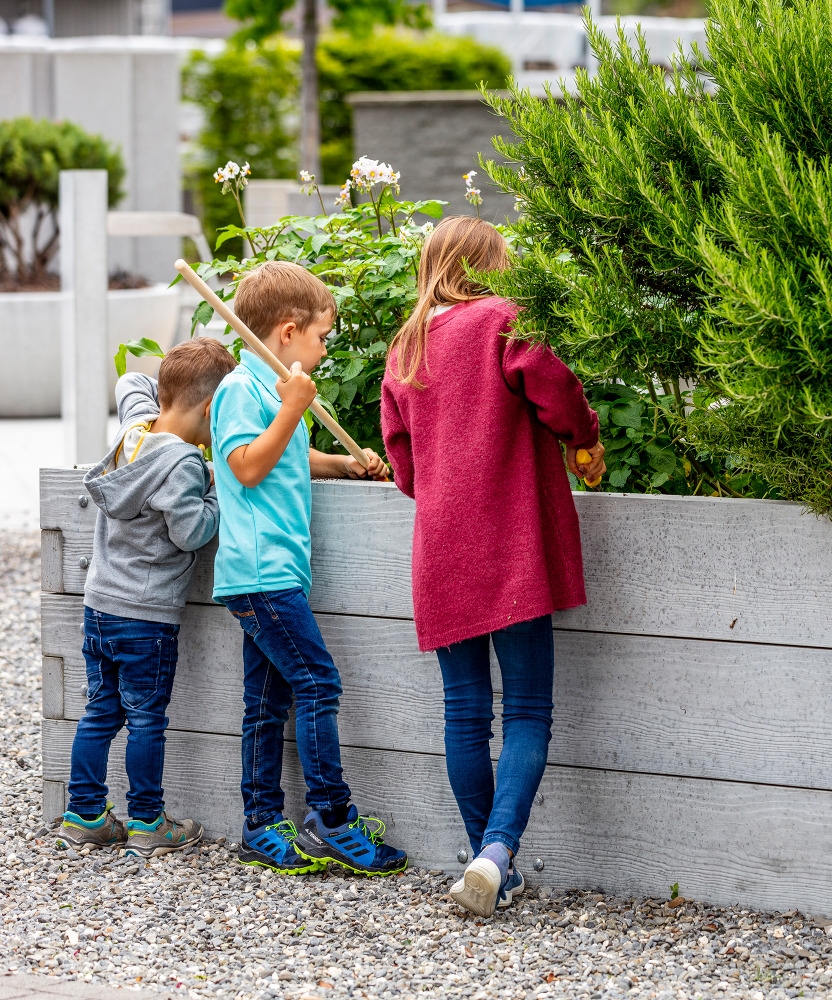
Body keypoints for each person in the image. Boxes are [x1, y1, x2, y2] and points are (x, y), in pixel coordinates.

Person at [380, 216, 607, 917]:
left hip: (442, 553)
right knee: (529, 709)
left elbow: (405, 469)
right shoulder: (504, 320)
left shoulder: (405, 347)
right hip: (511, 546)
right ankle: (498, 851)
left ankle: (489, 864)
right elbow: (558, 395)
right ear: (488, 265)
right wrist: (584, 438)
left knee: (464, 713)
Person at [211, 259, 407, 876]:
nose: (324, 351)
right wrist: (293, 407)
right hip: (260, 571)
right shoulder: (240, 390)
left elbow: (287, 457)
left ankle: (261, 825)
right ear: (288, 331)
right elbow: (247, 466)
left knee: (265, 702)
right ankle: (332, 816)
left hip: (277, 572)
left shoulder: (274, 390)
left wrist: (342, 464)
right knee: (320, 683)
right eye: (321, 337)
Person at [58, 339, 236, 858]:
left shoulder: (133, 433)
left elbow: (129, 383)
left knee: (100, 711)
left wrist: (163, 391)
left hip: (100, 607)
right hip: (146, 618)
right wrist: (216, 490)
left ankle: (84, 815)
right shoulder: (184, 464)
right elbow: (191, 532)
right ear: (211, 409)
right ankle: (147, 821)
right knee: (146, 719)